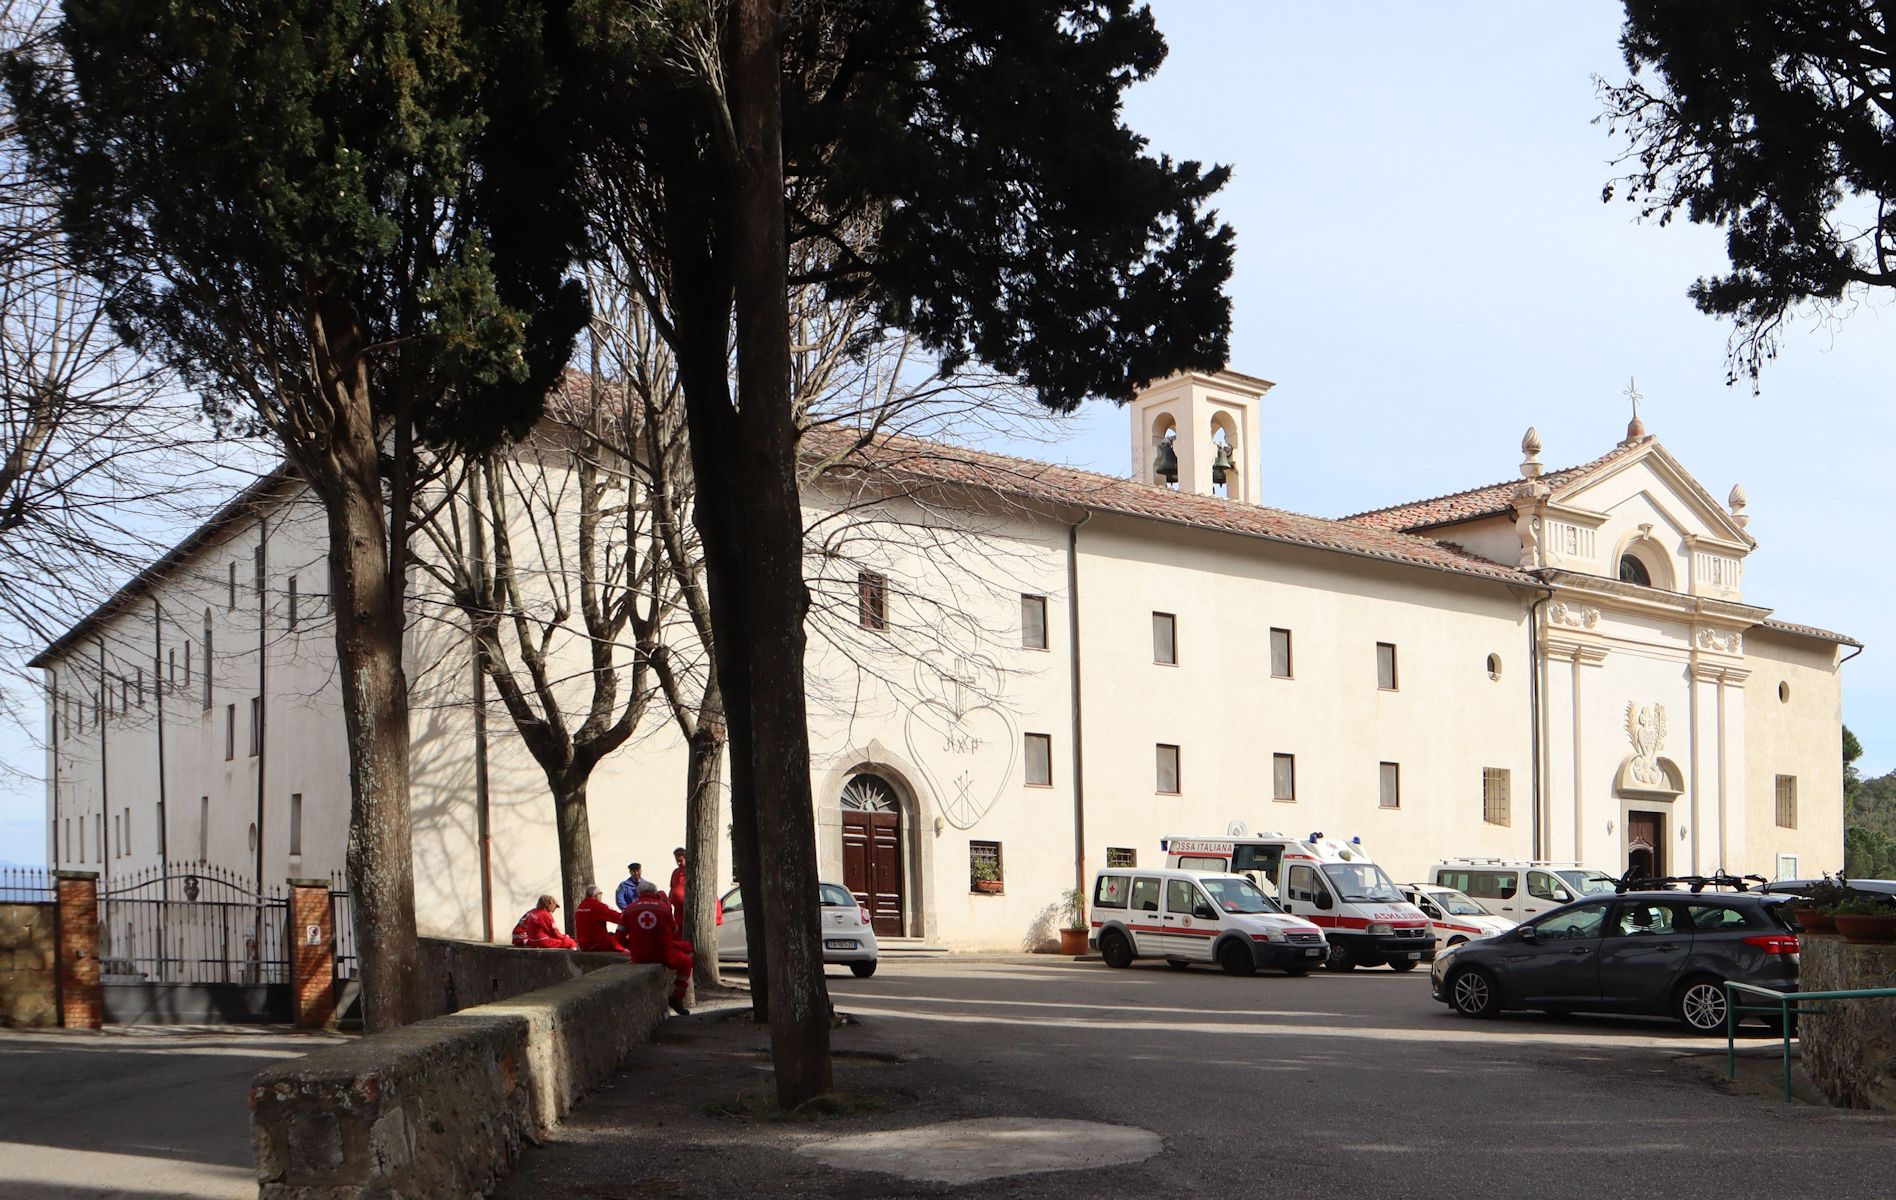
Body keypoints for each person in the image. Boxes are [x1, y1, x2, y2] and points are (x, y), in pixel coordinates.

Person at [623, 879, 693, 1015]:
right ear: (654, 893)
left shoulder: (629, 909)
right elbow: (675, 931)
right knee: (686, 960)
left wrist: (634, 948)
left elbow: (619, 937)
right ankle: (677, 997)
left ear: (639, 893)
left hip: (639, 955)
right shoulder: (664, 908)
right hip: (663, 953)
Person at [510, 895, 577, 949]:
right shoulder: (545, 915)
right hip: (524, 939)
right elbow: (554, 932)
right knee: (571, 942)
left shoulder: (533, 911)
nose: (554, 910)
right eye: (554, 907)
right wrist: (565, 937)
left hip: (519, 938)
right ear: (549, 904)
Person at [574, 884, 627, 953]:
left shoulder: (580, 907)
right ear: (596, 895)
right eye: (600, 894)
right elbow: (618, 918)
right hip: (598, 944)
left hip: (583, 945)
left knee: (611, 934)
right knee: (622, 939)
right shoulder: (599, 906)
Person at [669, 847, 688, 928]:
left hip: (687, 909)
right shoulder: (675, 872)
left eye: (680, 861)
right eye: (677, 861)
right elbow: (672, 888)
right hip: (677, 910)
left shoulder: (690, 872)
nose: (678, 863)